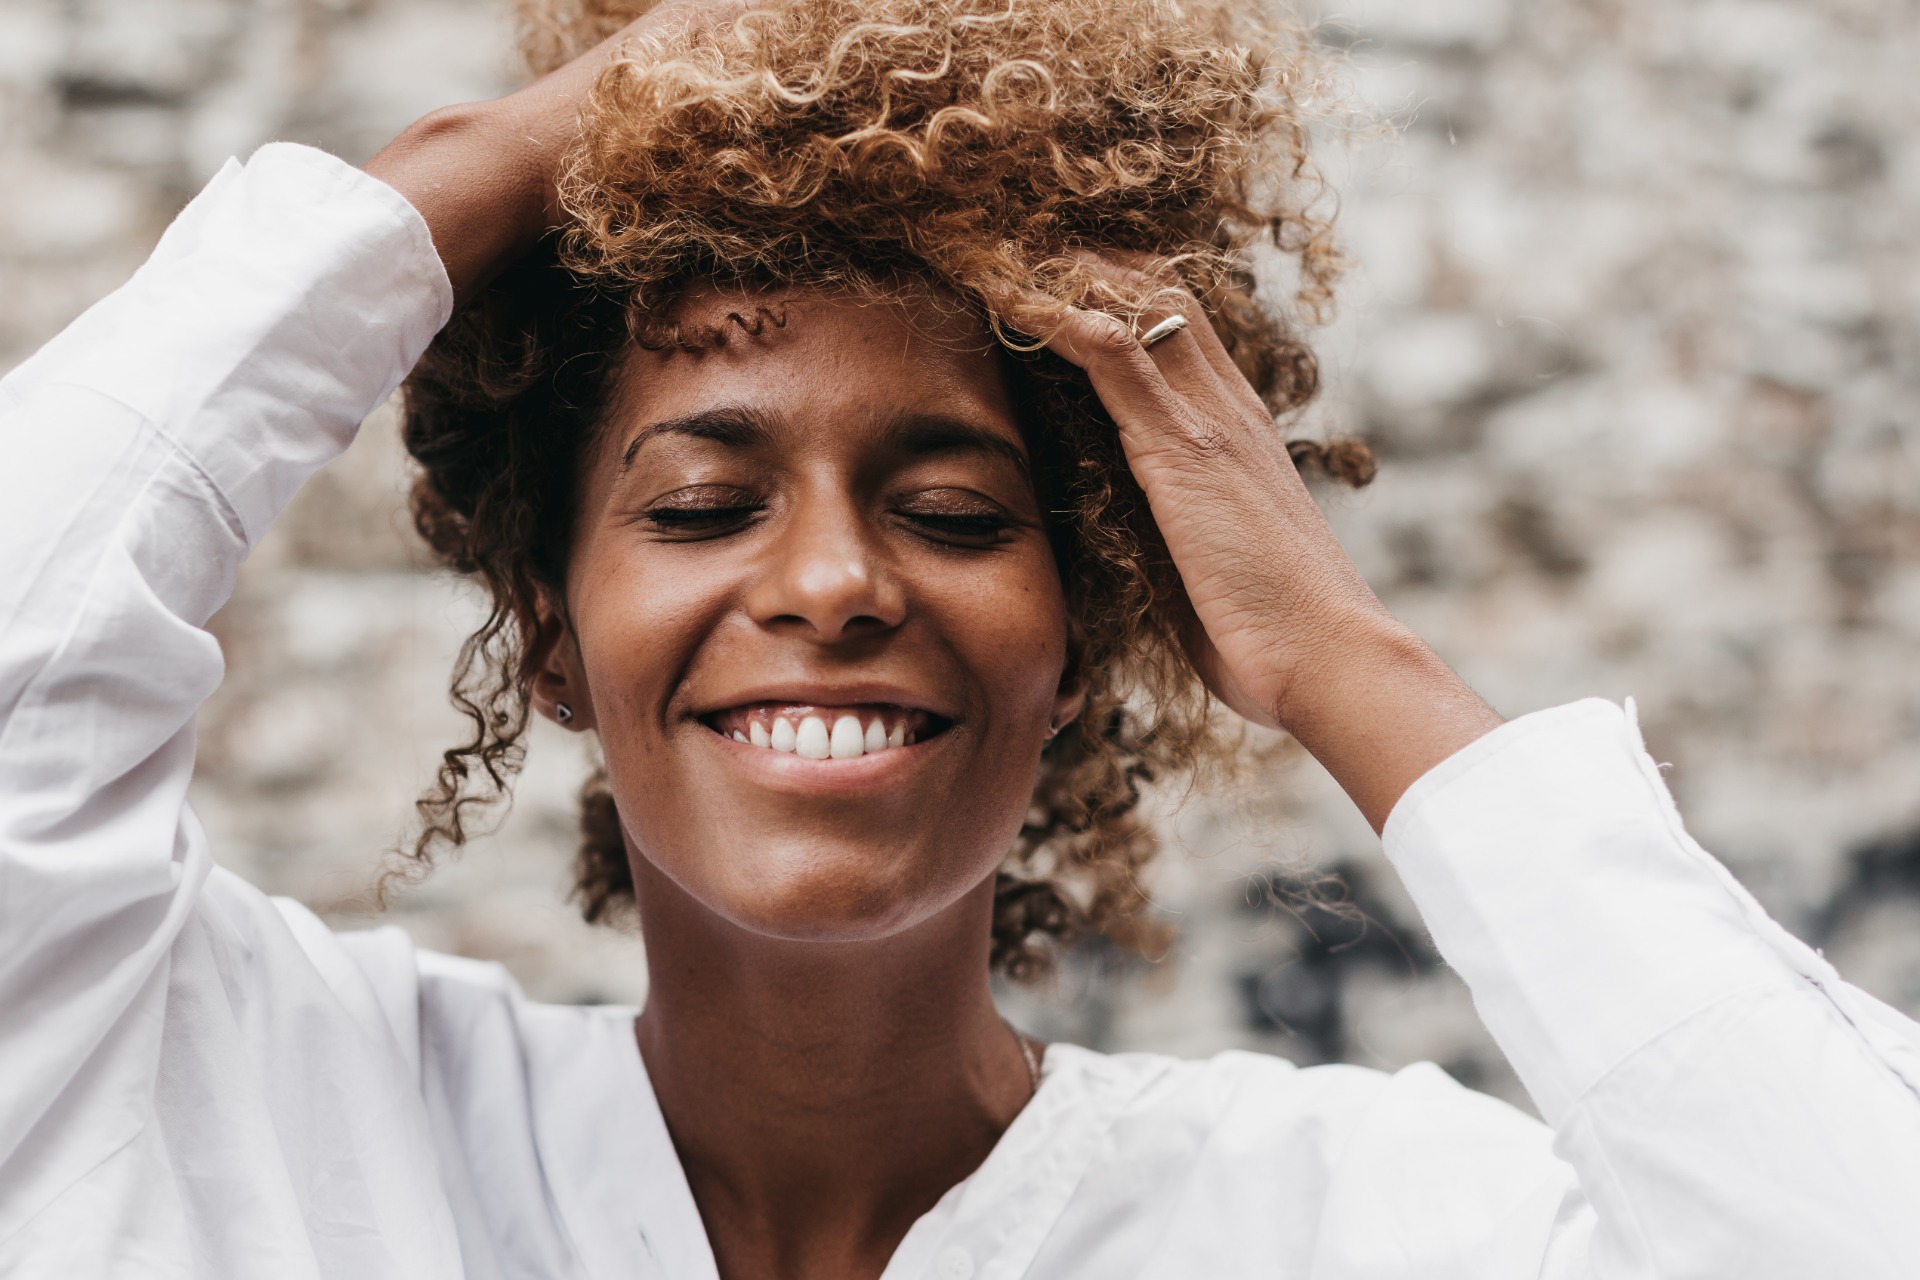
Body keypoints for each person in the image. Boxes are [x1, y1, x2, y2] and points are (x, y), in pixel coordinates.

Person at [1, 0, 1916, 1276]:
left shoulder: (1361, 1220)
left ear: (1083, 622)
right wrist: (549, 133)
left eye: (957, 514)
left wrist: (1344, 655)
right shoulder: (249, 1104)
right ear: (552, 633)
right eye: (698, 504)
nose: (835, 582)